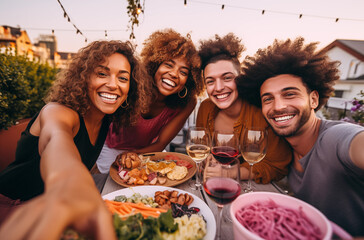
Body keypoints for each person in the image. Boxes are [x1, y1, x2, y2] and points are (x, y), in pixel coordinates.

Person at [0, 40, 148, 239]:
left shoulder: (104, 119)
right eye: (102, 74)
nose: (113, 85)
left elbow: (82, 159)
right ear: (84, 78)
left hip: (54, 214)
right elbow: (56, 141)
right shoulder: (58, 111)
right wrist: (69, 184)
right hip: (13, 209)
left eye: (123, 78)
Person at [237, 37, 364, 236]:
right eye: (268, 99)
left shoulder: (336, 137)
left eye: (289, 94)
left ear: (313, 99)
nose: (278, 107)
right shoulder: (282, 146)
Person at [95, 28, 204, 174]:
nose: (173, 74)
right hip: (111, 147)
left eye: (183, 72)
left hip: (149, 150)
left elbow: (160, 143)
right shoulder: (133, 84)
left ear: (189, 81)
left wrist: (134, 155)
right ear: (155, 65)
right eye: (168, 65)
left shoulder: (188, 103)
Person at [196, 33, 292, 184]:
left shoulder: (262, 112)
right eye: (210, 81)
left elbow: (277, 166)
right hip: (210, 183)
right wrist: (206, 159)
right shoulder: (205, 108)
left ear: (240, 78)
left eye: (227, 78)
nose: (219, 88)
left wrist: (232, 172)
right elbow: (202, 148)